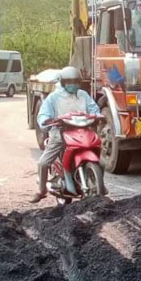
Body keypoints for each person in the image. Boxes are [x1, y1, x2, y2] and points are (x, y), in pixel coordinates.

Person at [30, 66, 101, 203]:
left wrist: (98, 115)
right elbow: (43, 114)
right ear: (62, 82)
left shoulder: (83, 95)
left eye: (75, 81)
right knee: (43, 163)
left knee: (98, 149)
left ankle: (98, 183)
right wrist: (45, 120)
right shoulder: (54, 97)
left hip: (82, 131)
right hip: (59, 133)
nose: (72, 85)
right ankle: (41, 190)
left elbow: (93, 108)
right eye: (69, 82)